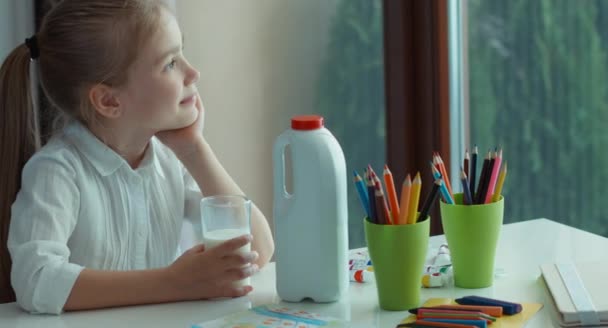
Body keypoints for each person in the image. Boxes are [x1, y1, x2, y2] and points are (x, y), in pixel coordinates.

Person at [0, 0, 274, 314]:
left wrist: (194, 149)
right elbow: (36, 281)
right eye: (170, 63)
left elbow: (259, 249)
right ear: (108, 100)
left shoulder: (170, 161)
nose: (193, 72)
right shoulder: (58, 172)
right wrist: (175, 282)